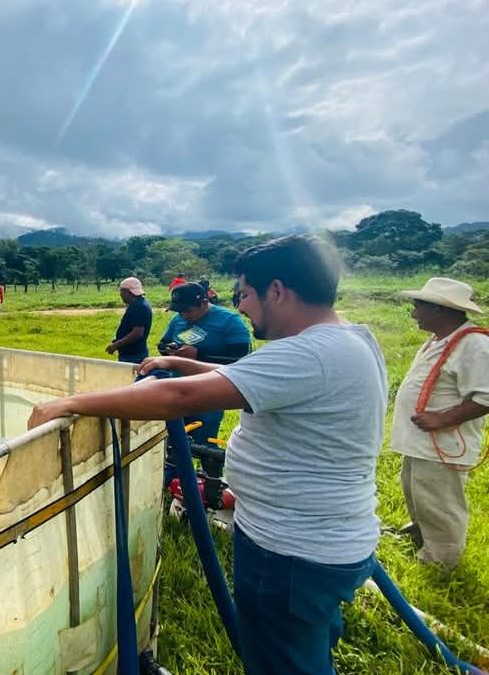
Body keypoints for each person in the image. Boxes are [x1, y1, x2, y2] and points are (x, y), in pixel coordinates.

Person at [28, 235, 386, 675]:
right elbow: (246, 375)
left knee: (285, 663)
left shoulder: (310, 353)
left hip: (293, 554)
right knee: (300, 650)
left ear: (277, 290)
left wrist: (69, 404)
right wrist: (182, 363)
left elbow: (177, 398)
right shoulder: (346, 340)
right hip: (321, 542)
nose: (243, 307)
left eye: (246, 294)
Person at [390, 277, 488, 569]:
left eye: (418, 305)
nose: (413, 312)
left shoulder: (475, 345)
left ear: (440, 310)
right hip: (422, 442)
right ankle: (420, 533)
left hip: (443, 443)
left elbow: (486, 396)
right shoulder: (442, 339)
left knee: (440, 502)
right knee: (417, 490)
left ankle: (440, 560)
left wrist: (442, 418)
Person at [157, 282, 251, 445]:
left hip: (209, 395)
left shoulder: (229, 321)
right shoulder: (177, 321)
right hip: (178, 391)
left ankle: (209, 469)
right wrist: (170, 350)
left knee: (203, 445)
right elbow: (163, 344)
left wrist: (199, 355)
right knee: (174, 445)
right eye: (180, 311)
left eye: (188, 311)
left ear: (204, 303)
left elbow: (240, 357)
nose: (184, 316)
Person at [106, 276, 152, 363]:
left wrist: (116, 345)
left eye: (121, 291)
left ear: (128, 292)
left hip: (133, 356)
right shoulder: (137, 304)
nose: (120, 294)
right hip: (132, 354)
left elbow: (137, 333)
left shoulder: (139, 307)